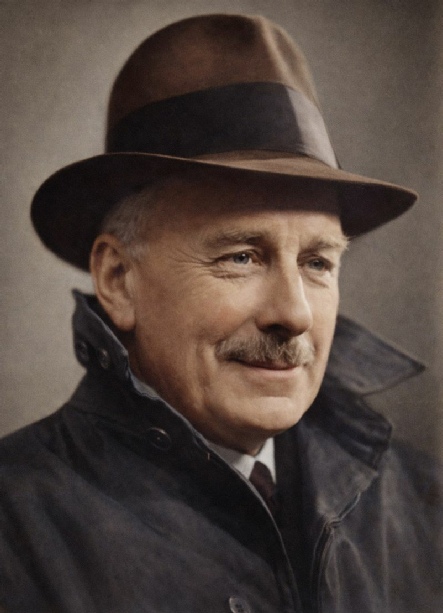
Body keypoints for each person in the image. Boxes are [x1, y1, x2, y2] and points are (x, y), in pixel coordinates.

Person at [0, 13, 441, 613]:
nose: (294, 314)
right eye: (241, 257)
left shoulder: (422, 505)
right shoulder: (17, 528)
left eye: (317, 262)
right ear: (118, 280)